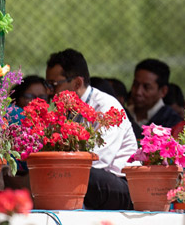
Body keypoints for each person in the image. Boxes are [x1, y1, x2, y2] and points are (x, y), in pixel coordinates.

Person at [46, 48, 138, 210]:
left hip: (122, 184)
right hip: (90, 181)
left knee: (82, 175)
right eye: (48, 85)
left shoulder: (105, 105)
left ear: (77, 83)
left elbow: (100, 161)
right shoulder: (66, 109)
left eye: (54, 85)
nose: (50, 92)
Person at [127, 58, 183, 139]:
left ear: (163, 91)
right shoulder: (123, 114)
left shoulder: (173, 123)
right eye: (135, 84)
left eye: (146, 87)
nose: (138, 92)